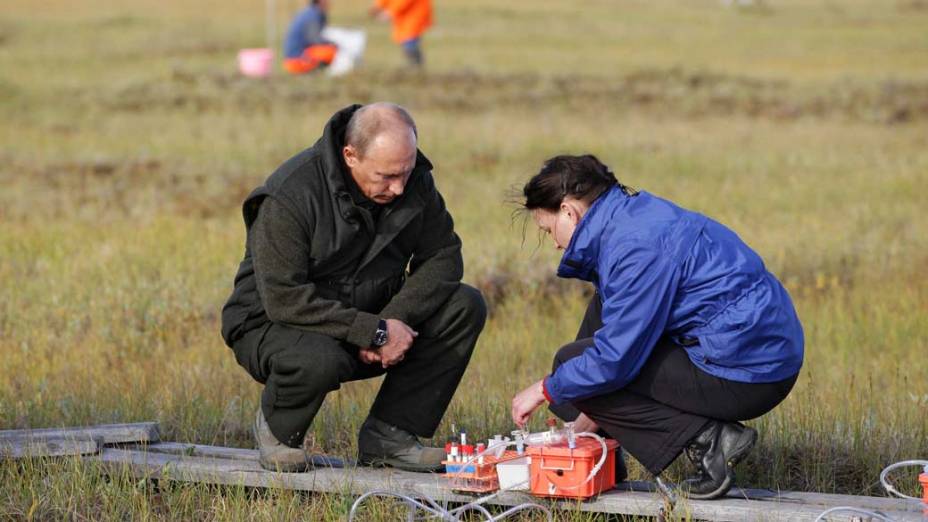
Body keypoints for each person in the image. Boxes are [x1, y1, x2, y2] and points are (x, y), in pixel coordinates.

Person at [510, 155, 803, 500]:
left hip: (750, 372)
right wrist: (581, 421)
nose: (556, 244)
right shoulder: (634, 218)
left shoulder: (635, 247)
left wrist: (544, 389)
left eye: (548, 231)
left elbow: (614, 361)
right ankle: (594, 447)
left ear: (569, 211)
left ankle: (711, 441)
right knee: (601, 313)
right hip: (752, 348)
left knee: (572, 366)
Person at [221, 102, 486, 473]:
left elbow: (444, 258)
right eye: (387, 176)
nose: (399, 188)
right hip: (274, 325)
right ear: (351, 155)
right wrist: (373, 332)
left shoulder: (415, 184)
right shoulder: (290, 194)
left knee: (464, 304)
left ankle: (390, 436)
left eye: (406, 172)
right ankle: (280, 433)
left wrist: (392, 322)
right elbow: (284, 299)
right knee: (317, 357)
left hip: (370, 321)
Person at [368, 0, 432, 67]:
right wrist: (378, 6)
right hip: (404, 16)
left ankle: (416, 64)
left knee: (409, 38)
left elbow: (403, 2)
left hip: (415, 12)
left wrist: (390, 12)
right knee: (405, 38)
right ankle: (415, 64)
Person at [283, 0, 338, 74]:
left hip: (291, 60)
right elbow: (314, 39)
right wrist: (333, 43)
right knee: (334, 52)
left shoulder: (308, 12)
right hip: (296, 61)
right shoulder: (313, 15)